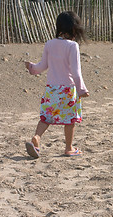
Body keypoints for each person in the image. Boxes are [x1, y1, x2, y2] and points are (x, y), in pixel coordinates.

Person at [24, 11, 89, 158]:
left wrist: (31, 68)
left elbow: (42, 66)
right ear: (74, 28)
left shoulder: (49, 44)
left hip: (51, 89)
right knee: (70, 120)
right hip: (68, 90)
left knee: (46, 118)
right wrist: (81, 90)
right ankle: (69, 148)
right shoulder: (73, 46)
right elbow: (76, 72)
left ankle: (37, 138)